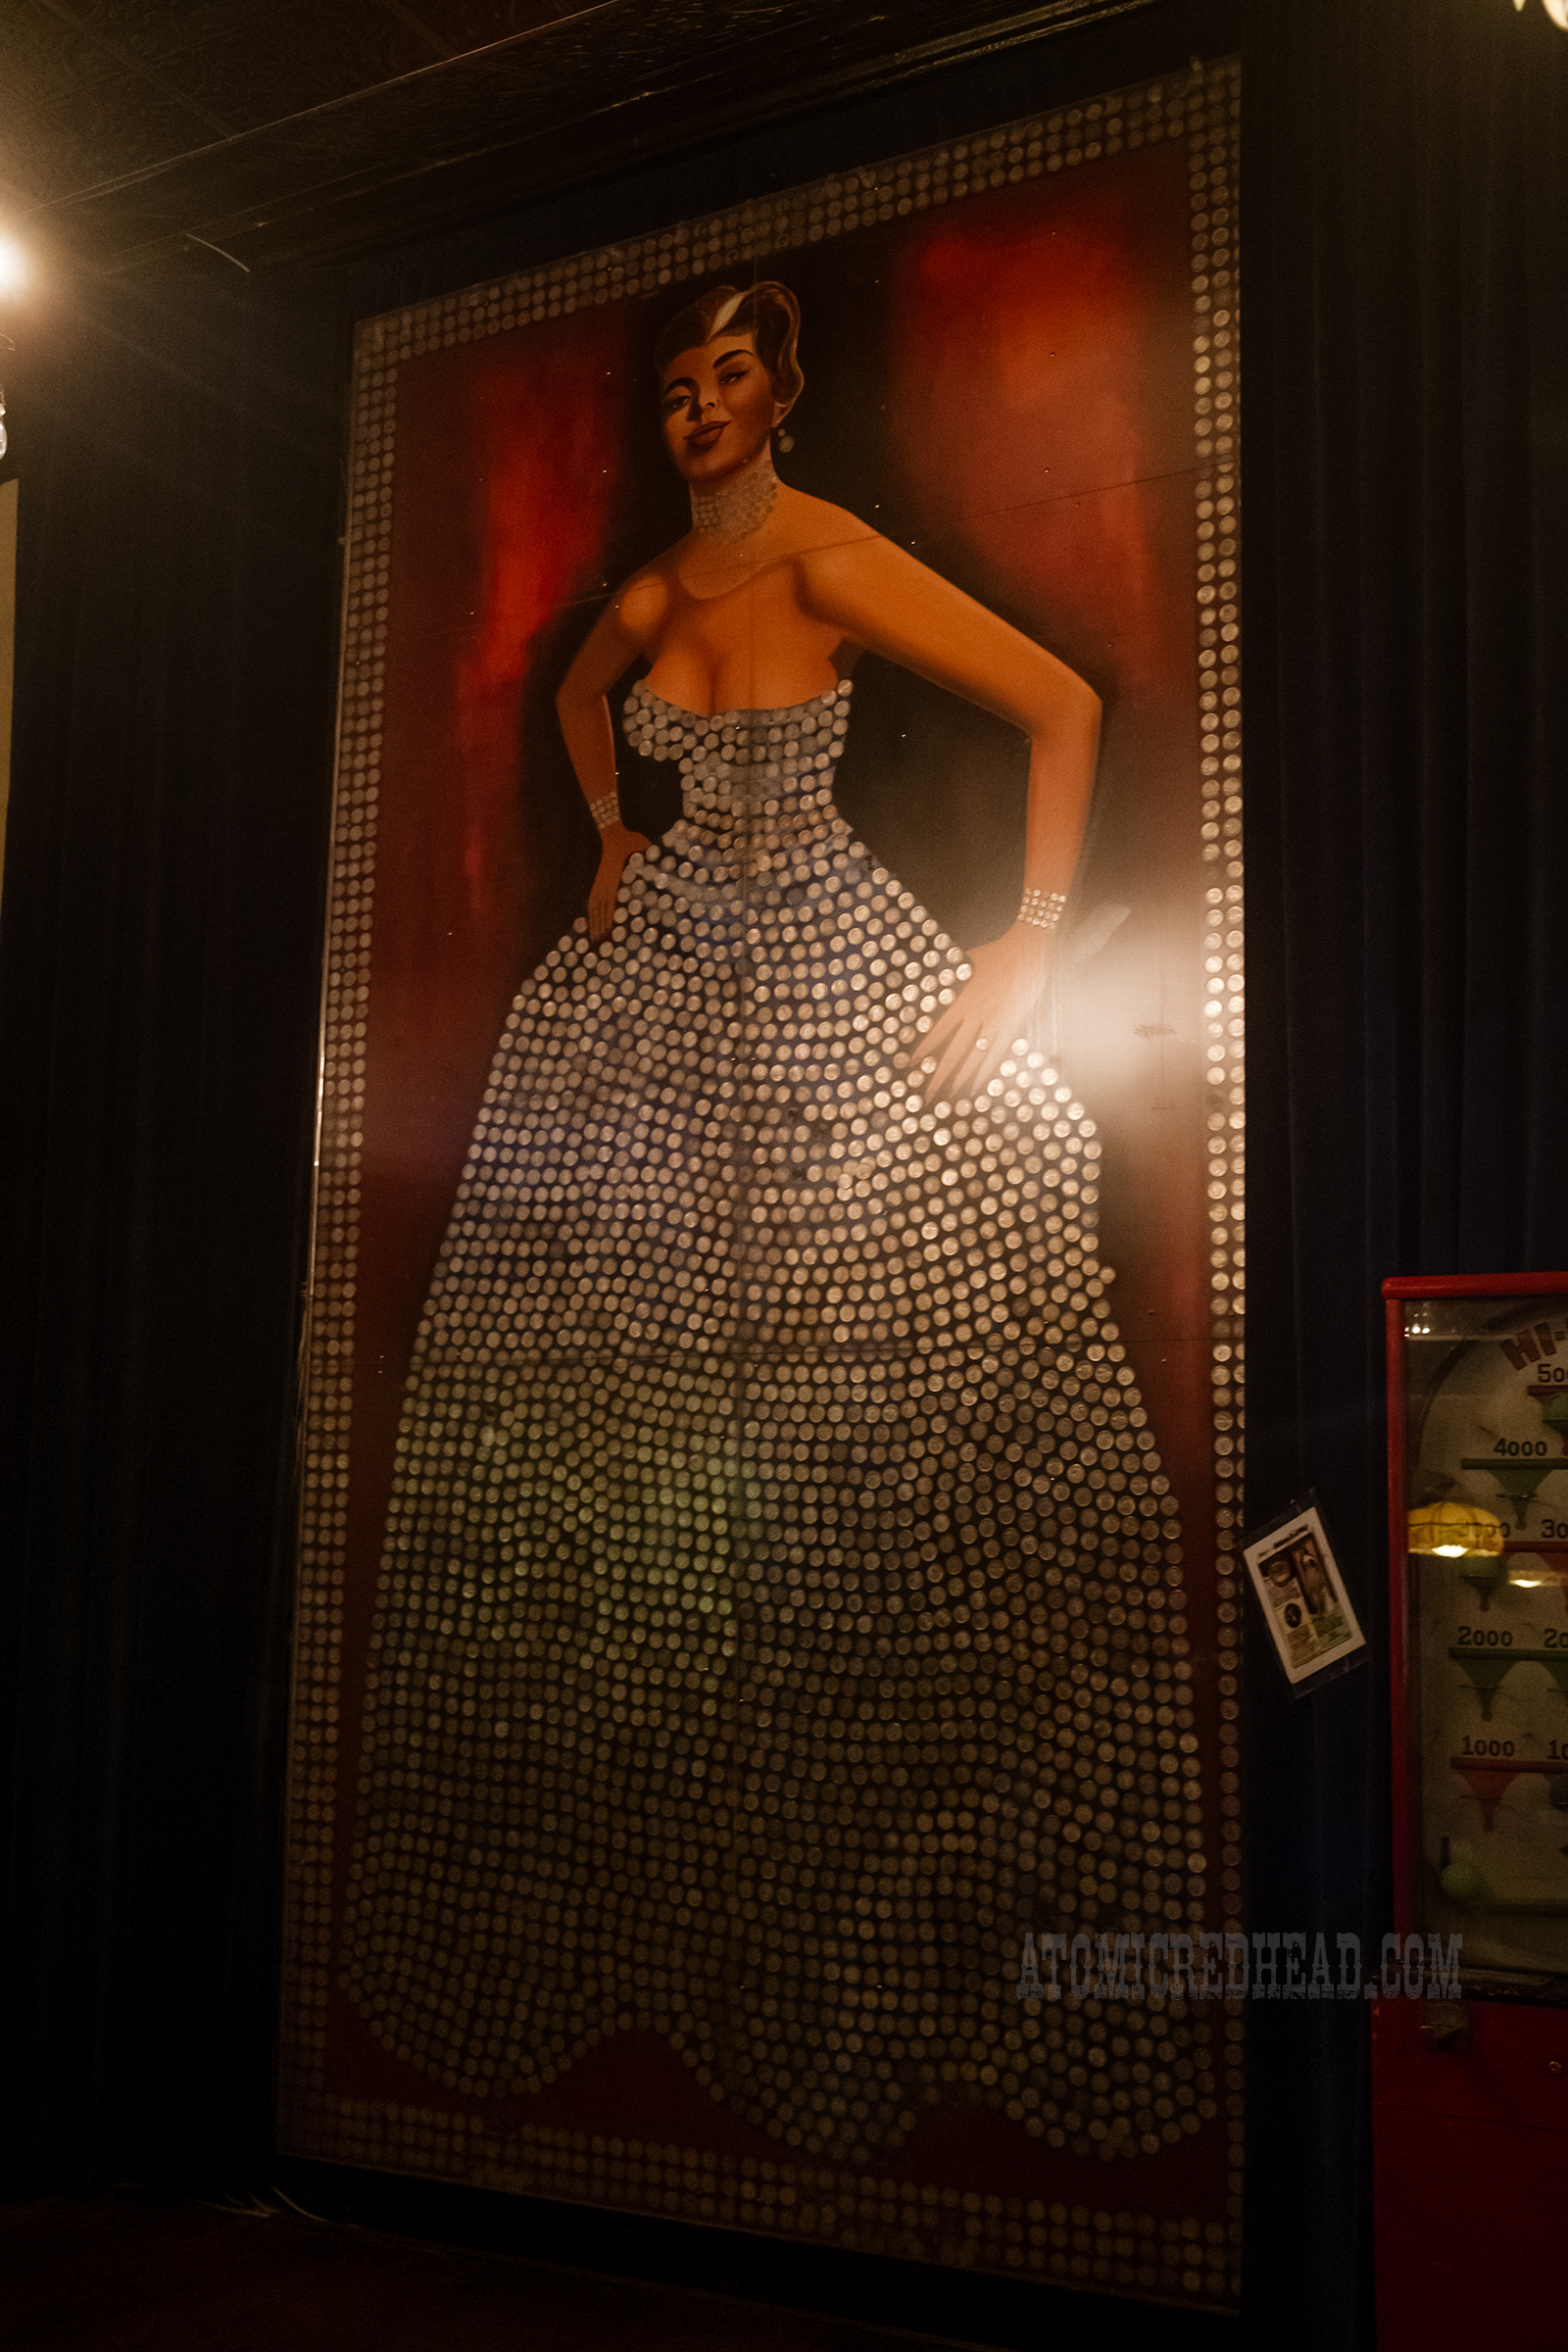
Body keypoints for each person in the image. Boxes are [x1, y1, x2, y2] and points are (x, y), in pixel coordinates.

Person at [342, 281, 1210, 2167]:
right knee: (600, 1383)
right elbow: (584, 697)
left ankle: (906, 1908)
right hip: (661, 970)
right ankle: (676, 1891)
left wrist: (1031, 936)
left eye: (730, 374)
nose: (699, 406)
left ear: (786, 393)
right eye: (675, 384)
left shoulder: (830, 560)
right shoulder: (656, 592)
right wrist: (610, 829)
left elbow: (1063, 702)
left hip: (827, 957)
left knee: (919, 1314)